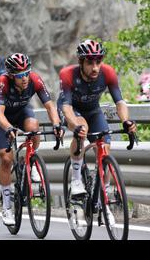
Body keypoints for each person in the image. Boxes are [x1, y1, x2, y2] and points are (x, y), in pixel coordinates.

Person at [58, 39, 137, 226]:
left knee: (105, 151)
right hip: (72, 110)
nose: (95, 67)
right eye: (90, 62)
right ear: (81, 62)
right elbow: (66, 107)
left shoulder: (107, 72)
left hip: (93, 111)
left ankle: (103, 199)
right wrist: (73, 125)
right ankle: (77, 180)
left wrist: (126, 121)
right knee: (82, 128)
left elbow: (120, 102)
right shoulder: (68, 74)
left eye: (98, 62)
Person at [0, 53, 63, 225]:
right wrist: (8, 128)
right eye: (19, 75)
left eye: (26, 73)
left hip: (23, 111)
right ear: (11, 76)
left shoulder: (35, 79)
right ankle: (7, 205)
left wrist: (56, 124)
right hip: (4, 118)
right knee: (6, 158)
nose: (24, 78)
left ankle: (30, 162)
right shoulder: (3, 82)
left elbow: (49, 106)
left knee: (34, 127)